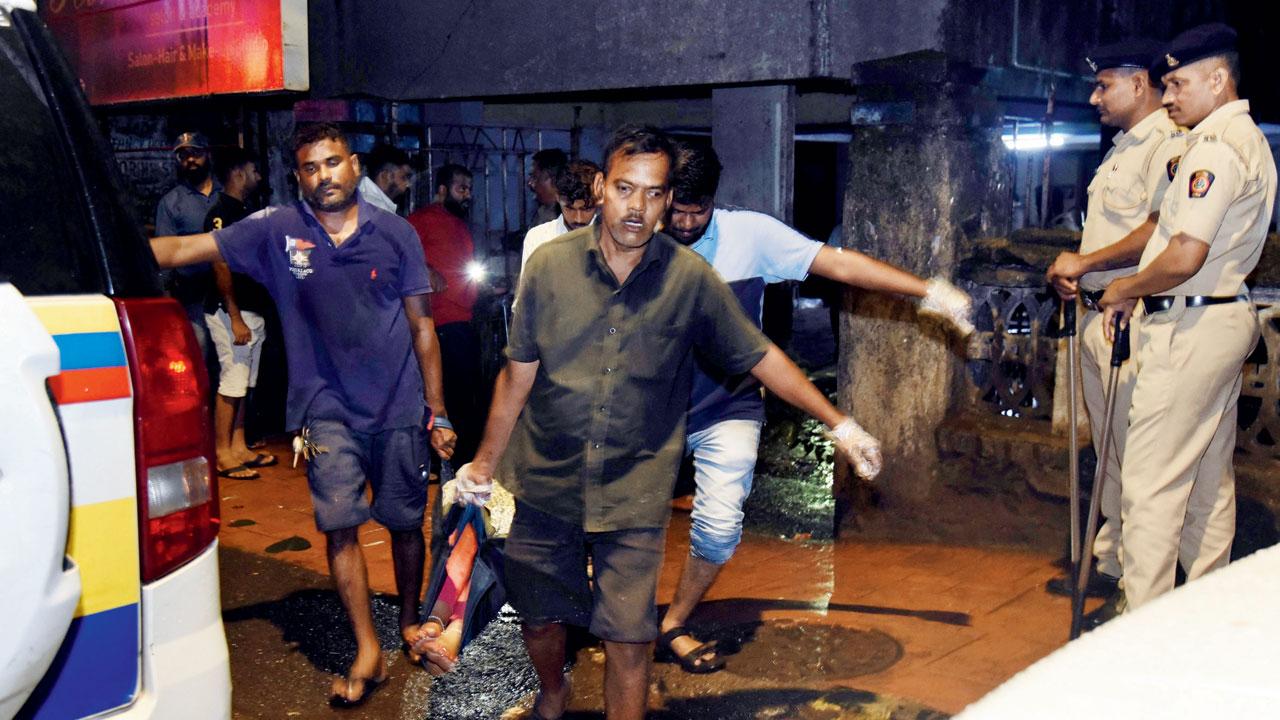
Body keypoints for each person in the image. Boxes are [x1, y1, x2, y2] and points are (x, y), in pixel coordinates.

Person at [453, 125, 883, 720]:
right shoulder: (549, 266)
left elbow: (759, 354)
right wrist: (483, 463)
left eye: (653, 193)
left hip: (635, 489)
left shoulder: (688, 279)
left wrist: (840, 424)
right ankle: (553, 689)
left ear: (666, 201)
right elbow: (516, 375)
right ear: (601, 187)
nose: (638, 207)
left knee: (629, 638)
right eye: (625, 188)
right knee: (540, 618)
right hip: (548, 481)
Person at [149, 122, 458, 706]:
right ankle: (367, 645)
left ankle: (411, 619)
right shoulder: (278, 229)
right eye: (312, 168)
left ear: (355, 165)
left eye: (334, 162)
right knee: (339, 522)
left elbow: (422, 326)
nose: (325, 176)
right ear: (299, 176)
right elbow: (184, 248)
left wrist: (436, 410)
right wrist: (83, 248)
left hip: (397, 401)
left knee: (401, 521)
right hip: (323, 407)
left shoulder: (396, 234)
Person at [656, 141, 974, 672]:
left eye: (698, 211)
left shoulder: (748, 235)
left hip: (726, 402)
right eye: (676, 211)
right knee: (621, 523)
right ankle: (613, 616)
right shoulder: (637, 235)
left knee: (718, 526)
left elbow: (838, 264)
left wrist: (928, 292)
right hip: (650, 410)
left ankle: (672, 623)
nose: (686, 223)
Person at [1099, 23, 1275, 611]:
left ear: (1218, 79)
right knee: (1206, 483)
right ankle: (1200, 618)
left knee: (1150, 486)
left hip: (1192, 325)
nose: (1168, 95)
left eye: (1178, 83)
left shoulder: (1219, 149)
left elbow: (1183, 254)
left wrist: (1125, 287)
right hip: (1219, 317)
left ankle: (1140, 627)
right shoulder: (1242, 141)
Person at [1043, 39, 1185, 618]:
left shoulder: (1169, 146)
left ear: (1139, 84)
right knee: (1109, 451)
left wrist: (1088, 263)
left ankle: (1137, 583)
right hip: (1099, 313)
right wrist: (1079, 270)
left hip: (1134, 316)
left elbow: (1159, 229)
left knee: (1135, 453)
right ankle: (1109, 559)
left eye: (1105, 85)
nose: (1095, 96)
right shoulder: (1124, 147)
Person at [202, 147, 277, 479]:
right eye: (253, 169)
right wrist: (234, 316)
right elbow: (220, 266)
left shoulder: (246, 210)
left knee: (246, 382)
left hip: (252, 309)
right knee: (232, 379)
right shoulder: (220, 214)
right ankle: (222, 453)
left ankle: (238, 444)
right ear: (238, 173)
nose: (257, 176)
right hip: (232, 312)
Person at [408, 164, 486, 464]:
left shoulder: (460, 224)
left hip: (462, 319)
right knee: (447, 397)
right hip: (438, 323)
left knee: (465, 397)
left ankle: (460, 461)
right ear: (442, 190)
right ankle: (447, 461)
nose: (466, 194)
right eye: (460, 188)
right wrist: (425, 270)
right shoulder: (421, 220)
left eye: (469, 188)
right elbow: (402, 253)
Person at [155, 130, 219, 356]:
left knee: (235, 364)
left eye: (195, 153)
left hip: (230, 294)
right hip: (193, 296)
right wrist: (166, 300)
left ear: (207, 154)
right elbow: (165, 255)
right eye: (183, 156)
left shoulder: (228, 193)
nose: (190, 160)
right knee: (198, 355)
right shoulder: (171, 203)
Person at [521, 158, 601, 268]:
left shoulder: (613, 241)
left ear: (600, 199)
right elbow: (529, 285)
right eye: (570, 208)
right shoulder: (538, 239)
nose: (578, 219)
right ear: (557, 197)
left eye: (586, 209)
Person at [359, 143, 414, 213]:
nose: (408, 184)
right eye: (403, 177)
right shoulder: (377, 209)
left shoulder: (361, 200)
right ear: (385, 176)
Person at [527, 148, 567, 226]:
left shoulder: (566, 217)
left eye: (535, 177)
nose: (530, 183)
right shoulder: (543, 211)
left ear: (554, 180)